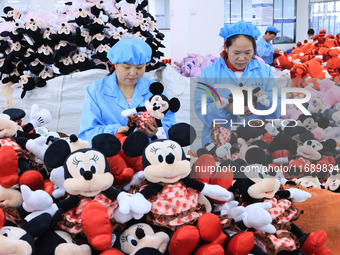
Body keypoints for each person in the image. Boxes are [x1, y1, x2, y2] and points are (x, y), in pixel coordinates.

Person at [194, 21, 280, 146]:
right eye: (236, 53)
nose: (242, 58)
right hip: (219, 143)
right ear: (226, 48)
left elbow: (276, 108)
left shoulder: (263, 71)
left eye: (248, 52)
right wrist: (226, 108)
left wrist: (258, 102)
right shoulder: (210, 72)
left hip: (255, 141)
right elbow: (201, 108)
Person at [78, 37, 176, 143]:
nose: (133, 73)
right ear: (115, 64)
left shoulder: (154, 89)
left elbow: (171, 125)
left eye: (139, 67)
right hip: (111, 153)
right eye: (126, 67)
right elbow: (86, 133)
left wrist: (158, 130)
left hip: (148, 153)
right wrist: (115, 131)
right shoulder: (95, 90)